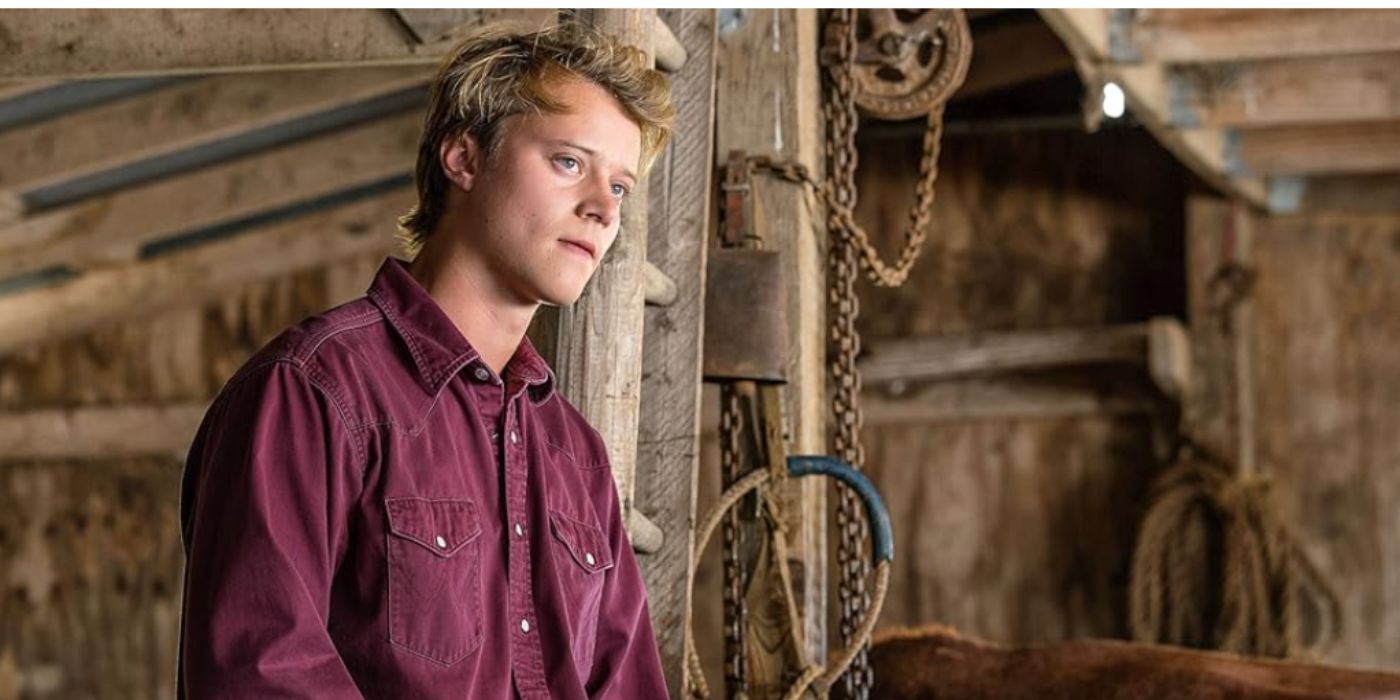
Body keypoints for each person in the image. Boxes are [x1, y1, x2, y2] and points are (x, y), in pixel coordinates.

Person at [176, 19, 674, 699]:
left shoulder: (575, 453)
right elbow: (257, 676)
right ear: (463, 159)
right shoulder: (312, 392)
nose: (601, 209)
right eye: (568, 162)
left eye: (618, 186)